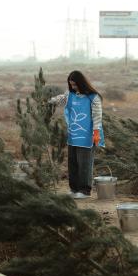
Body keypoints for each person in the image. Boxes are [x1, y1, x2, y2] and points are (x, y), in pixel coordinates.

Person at [49, 70, 104, 199]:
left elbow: (97, 116)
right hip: (73, 135)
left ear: (81, 83)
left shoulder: (93, 97)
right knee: (73, 163)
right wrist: (48, 101)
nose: (73, 87)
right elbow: (60, 99)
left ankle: (84, 191)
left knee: (84, 164)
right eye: (71, 84)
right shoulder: (70, 95)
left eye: (75, 84)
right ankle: (74, 189)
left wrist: (96, 132)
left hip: (87, 136)